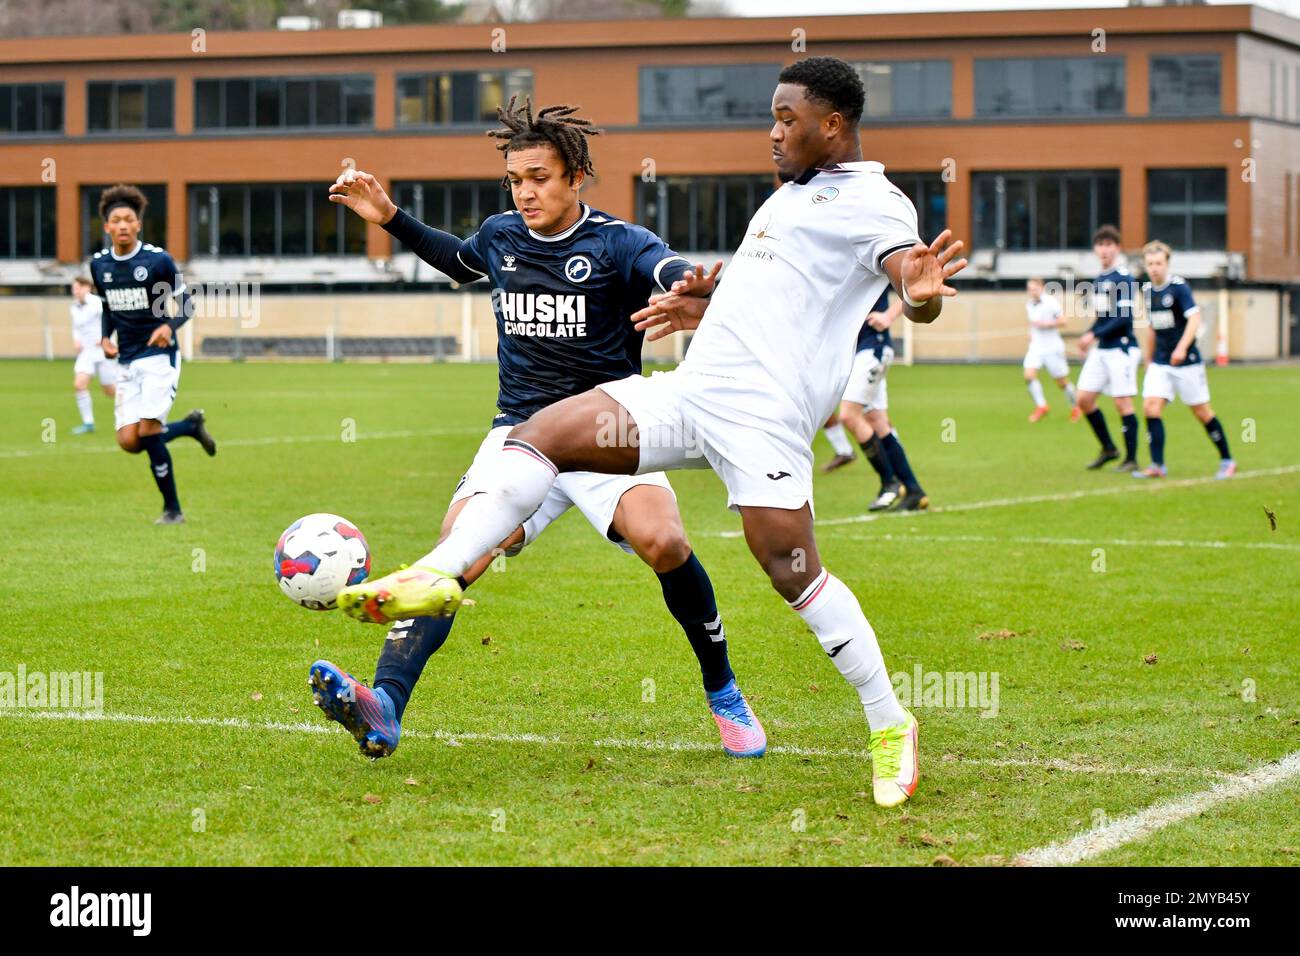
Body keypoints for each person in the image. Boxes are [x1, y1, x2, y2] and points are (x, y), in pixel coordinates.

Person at [336, 58, 968, 808]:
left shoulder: (874, 202)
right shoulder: (792, 195)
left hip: (763, 422)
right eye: (773, 116)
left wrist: (920, 298)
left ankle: (888, 721)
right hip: (693, 392)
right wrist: (705, 309)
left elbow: (904, 269)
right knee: (541, 433)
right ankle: (437, 575)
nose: (772, 132)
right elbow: (775, 296)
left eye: (787, 119)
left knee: (790, 571)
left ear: (832, 124)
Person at [311, 97, 764, 761]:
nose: (525, 192)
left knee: (663, 541)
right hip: (519, 433)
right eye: (516, 180)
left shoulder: (616, 242)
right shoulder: (500, 236)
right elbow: (463, 261)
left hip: (606, 429)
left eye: (539, 178)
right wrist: (392, 219)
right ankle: (383, 704)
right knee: (456, 556)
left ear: (575, 177)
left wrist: (693, 286)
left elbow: (666, 269)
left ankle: (723, 690)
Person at [91, 184, 216, 524]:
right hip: (126, 360)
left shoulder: (158, 261)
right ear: (106, 226)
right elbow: (106, 308)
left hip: (159, 358)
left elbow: (187, 305)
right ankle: (189, 427)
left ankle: (172, 509)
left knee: (148, 431)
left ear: (138, 224)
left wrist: (168, 327)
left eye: (128, 219)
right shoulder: (99, 266)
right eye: (115, 220)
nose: (122, 226)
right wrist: (105, 338)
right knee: (129, 440)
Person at [1133, 240, 1235, 480]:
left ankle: (1227, 460)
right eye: (1150, 264)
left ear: (1167, 264)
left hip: (1186, 362)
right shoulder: (1147, 291)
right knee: (1150, 407)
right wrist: (1148, 358)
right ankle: (1157, 465)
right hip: (1160, 362)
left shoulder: (1179, 288)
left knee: (1202, 412)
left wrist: (1181, 348)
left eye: (1159, 263)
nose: (1155, 268)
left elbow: (1194, 318)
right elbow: (1151, 328)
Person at [838, 290, 928, 511]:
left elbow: (913, 287)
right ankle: (914, 491)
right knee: (877, 421)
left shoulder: (868, 257)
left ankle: (890, 483)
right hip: (860, 351)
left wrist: (888, 315)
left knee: (849, 416)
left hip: (873, 348)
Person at [1074, 225, 1141, 471]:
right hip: (1103, 348)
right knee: (1084, 399)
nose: (1104, 250)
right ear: (1095, 249)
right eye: (1100, 245)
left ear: (1117, 248)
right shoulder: (1100, 280)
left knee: (1122, 402)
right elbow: (1103, 318)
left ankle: (1132, 459)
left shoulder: (1123, 277)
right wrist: (1089, 335)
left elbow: (1124, 317)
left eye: (1109, 245)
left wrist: (1093, 334)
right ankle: (1109, 448)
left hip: (1121, 348)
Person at [1022, 277, 1076, 423]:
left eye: (1035, 288)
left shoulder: (1051, 303)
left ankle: (1076, 406)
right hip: (1036, 348)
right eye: (1030, 289)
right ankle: (1041, 406)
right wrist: (1031, 333)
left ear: (1042, 288)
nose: (1033, 292)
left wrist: (1046, 324)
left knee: (1062, 382)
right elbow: (1033, 324)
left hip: (1052, 347)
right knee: (1028, 376)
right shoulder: (1029, 305)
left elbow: (1064, 321)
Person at [69, 275, 117, 435]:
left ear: (87, 288)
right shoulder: (74, 307)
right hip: (87, 352)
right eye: (73, 288)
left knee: (110, 391)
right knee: (79, 385)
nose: (75, 291)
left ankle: (134, 411)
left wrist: (106, 338)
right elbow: (76, 328)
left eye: (77, 288)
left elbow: (111, 318)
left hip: (103, 351)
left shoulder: (97, 303)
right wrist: (76, 340)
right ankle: (88, 423)